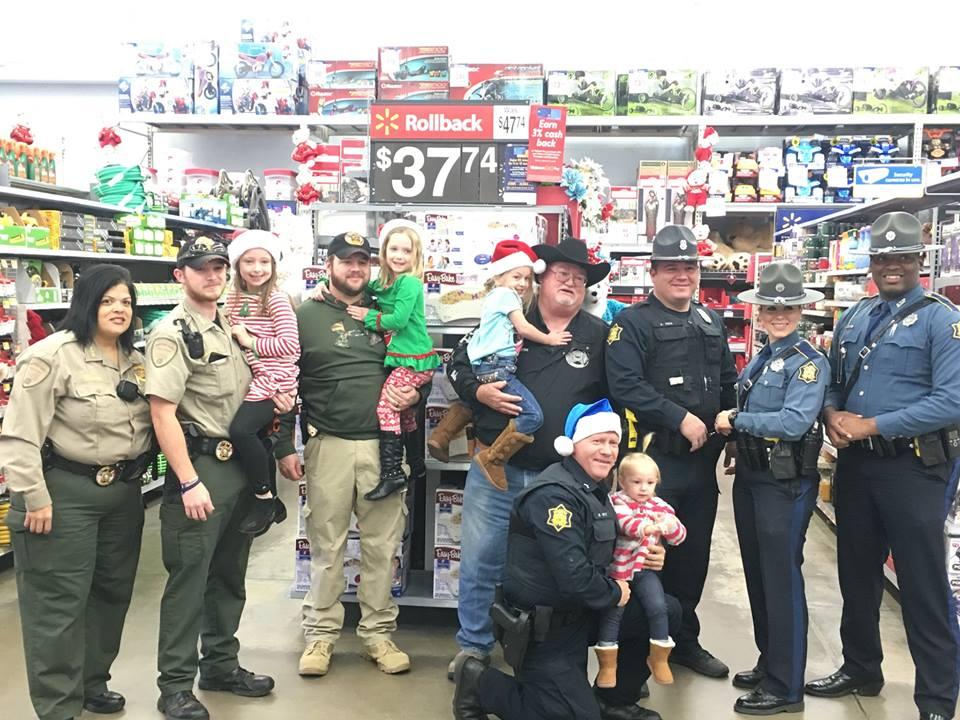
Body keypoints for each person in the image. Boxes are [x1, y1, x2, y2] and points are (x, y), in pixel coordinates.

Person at [804, 211, 960, 720]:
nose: (892, 266)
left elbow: (952, 400)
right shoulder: (855, 316)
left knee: (923, 584)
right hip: (857, 469)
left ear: (921, 260)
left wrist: (871, 425)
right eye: (882, 258)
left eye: (903, 257)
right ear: (870, 262)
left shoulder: (942, 319)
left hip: (913, 470)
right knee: (857, 575)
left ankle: (936, 698)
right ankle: (861, 668)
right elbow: (834, 381)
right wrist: (830, 413)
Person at [453, 399, 676, 720]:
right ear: (572, 445)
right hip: (546, 631)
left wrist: (648, 554)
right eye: (597, 441)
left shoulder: (594, 488)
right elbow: (573, 575)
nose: (607, 450)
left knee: (667, 610)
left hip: (581, 613)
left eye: (613, 442)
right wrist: (615, 592)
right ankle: (479, 683)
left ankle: (612, 700)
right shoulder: (554, 495)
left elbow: (606, 548)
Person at [0, 264, 155, 720]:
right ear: (86, 303)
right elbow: (19, 435)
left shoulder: (137, 360)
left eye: (126, 301)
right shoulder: (51, 356)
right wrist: (34, 495)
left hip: (123, 494)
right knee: (57, 602)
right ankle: (57, 705)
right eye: (107, 300)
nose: (119, 309)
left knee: (111, 593)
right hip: (62, 495)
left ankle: (91, 683)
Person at [146, 237, 292, 720]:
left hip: (237, 468)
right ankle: (174, 686)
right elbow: (162, 412)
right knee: (190, 578)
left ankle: (221, 665)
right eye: (200, 269)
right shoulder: (173, 333)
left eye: (217, 268)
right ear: (180, 276)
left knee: (229, 575)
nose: (212, 276)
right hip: (201, 466)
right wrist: (186, 480)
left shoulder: (230, 324)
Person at [443, 241, 606, 668]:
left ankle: (544, 654)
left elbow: (614, 400)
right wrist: (477, 390)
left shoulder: (599, 335)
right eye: (562, 273)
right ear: (541, 278)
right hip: (498, 469)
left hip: (564, 482)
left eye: (580, 277)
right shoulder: (505, 315)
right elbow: (456, 365)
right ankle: (474, 648)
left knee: (558, 567)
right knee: (481, 560)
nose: (571, 282)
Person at [277, 232, 424, 679]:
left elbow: (416, 366)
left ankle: (378, 634)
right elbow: (284, 381)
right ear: (330, 265)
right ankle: (320, 635)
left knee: (383, 546)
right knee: (327, 546)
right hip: (330, 445)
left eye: (362, 261)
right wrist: (284, 443)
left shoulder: (392, 312)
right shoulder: (304, 316)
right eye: (347, 261)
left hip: (385, 446)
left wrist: (412, 398)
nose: (355, 269)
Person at [606, 224, 738, 679]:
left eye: (689, 267)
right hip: (652, 465)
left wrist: (733, 428)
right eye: (671, 268)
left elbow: (726, 382)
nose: (682, 275)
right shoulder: (631, 323)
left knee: (691, 554)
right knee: (642, 557)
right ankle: (634, 656)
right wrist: (677, 416)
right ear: (653, 271)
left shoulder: (709, 320)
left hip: (702, 465)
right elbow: (624, 385)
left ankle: (683, 640)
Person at [713, 261, 828, 715]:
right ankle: (771, 659)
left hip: (785, 482)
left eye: (788, 306)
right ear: (759, 311)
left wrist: (738, 422)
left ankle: (786, 685)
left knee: (781, 579)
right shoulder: (764, 355)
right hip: (755, 477)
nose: (779, 313)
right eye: (771, 306)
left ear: (800, 309)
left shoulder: (807, 363)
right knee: (759, 575)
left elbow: (796, 422)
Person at [467, 239, 571, 489]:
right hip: (498, 366)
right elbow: (523, 327)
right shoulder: (506, 297)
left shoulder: (495, 299)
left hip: (488, 365)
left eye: (527, 279)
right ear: (499, 276)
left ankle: (446, 431)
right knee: (533, 416)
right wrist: (549, 339)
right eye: (516, 277)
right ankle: (493, 458)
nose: (523, 284)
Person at [349, 219, 439, 501]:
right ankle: (415, 463)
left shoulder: (410, 283)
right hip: (405, 358)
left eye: (406, 251)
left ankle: (391, 473)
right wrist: (325, 284)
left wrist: (369, 316)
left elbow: (398, 320)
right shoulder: (387, 282)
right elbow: (365, 286)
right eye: (394, 249)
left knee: (387, 408)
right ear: (384, 253)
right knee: (406, 414)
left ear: (416, 256)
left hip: (412, 358)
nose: (399, 256)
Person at [223, 229, 299, 535]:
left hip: (274, 379)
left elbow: (290, 347)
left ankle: (264, 497)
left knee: (241, 430)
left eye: (264, 261)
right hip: (256, 376)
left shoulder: (277, 300)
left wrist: (250, 341)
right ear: (237, 265)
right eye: (249, 261)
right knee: (257, 435)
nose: (257, 268)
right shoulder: (234, 300)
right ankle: (274, 501)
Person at [595, 444, 686, 689]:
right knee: (615, 612)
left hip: (644, 570)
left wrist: (668, 525)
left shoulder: (661, 507)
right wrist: (648, 527)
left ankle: (658, 656)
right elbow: (626, 524)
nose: (644, 488)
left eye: (650, 483)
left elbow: (679, 534)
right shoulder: (616, 502)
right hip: (619, 571)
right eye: (636, 482)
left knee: (658, 606)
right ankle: (607, 665)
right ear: (622, 482)